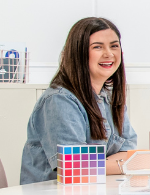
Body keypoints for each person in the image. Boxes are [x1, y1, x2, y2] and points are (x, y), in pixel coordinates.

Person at [20, 17, 139, 184]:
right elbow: (75, 167)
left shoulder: (109, 98)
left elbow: (129, 153)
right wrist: (120, 165)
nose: (109, 54)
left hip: (91, 191)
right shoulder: (60, 100)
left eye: (114, 46)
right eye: (97, 47)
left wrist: (100, 165)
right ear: (78, 53)